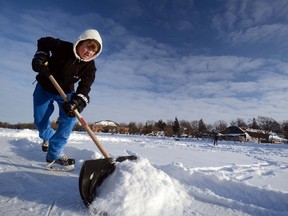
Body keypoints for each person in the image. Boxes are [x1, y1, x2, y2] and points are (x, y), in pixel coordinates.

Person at [31, 29, 102, 171]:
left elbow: (85, 86)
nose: (89, 52)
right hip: (45, 86)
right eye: (88, 46)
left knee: (70, 119)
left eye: (93, 51)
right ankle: (48, 137)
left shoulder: (90, 66)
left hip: (65, 92)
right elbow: (43, 41)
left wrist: (77, 102)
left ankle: (54, 154)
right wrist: (41, 56)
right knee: (40, 120)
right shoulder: (63, 47)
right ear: (80, 42)